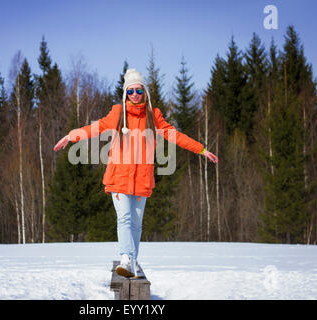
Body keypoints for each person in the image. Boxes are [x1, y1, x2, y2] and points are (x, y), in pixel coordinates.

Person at [54, 68, 218, 278]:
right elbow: (94, 128)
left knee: (137, 223)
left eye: (138, 91)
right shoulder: (117, 114)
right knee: (124, 218)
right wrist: (70, 137)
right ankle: (125, 258)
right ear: (125, 94)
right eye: (130, 91)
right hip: (119, 176)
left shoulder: (154, 116)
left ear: (144, 92)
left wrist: (202, 150)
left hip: (142, 179)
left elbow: (176, 136)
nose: (134, 95)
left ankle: (132, 260)